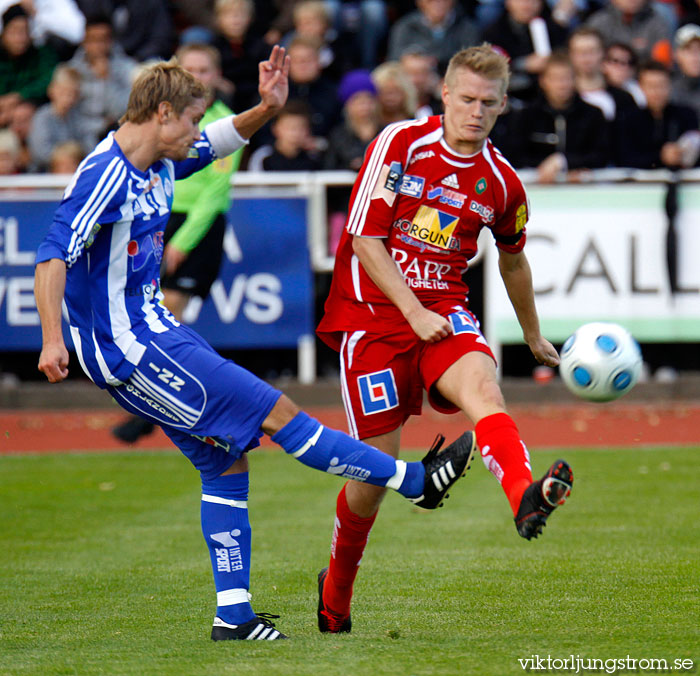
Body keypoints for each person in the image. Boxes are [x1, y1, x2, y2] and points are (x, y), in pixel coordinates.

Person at [33, 45, 473, 642]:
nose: (195, 131)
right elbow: (52, 255)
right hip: (130, 347)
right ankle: (413, 484)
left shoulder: (160, 161)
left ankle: (233, 616)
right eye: (189, 118)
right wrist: (52, 339)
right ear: (161, 114)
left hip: (151, 335)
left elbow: (216, 141)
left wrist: (265, 108)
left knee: (224, 465)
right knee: (277, 411)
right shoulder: (105, 175)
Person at [314, 43, 574, 634]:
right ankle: (335, 591)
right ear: (445, 97)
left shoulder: (502, 184)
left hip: (444, 311)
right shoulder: (399, 144)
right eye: (466, 99)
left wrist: (533, 335)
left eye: (488, 103)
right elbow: (364, 241)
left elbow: (513, 261)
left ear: (504, 105)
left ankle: (523, 498)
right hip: (372, 317)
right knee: (374, 477)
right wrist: (410, 310)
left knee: (486, 390)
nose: (476, 112)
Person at [112, 42, 244, 445]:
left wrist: (182, 240)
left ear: (216, 75)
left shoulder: (222, 122)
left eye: (205, 69)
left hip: (196, 229)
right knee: (157, 319)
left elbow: (215, 192)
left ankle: (167, 407)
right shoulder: (164, 122)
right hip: (162, 220)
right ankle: (171, 404)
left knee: (166, 316)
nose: (198, 77)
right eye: (191, 69)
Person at [508, 51, 609, 180]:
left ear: (575, 80)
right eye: (555, 78)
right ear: (543, 81)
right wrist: (547, 166)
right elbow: (515, 156)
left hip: (582, 188)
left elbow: (601, 156)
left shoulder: (593, 114)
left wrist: (565, 162)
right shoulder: (525, 116)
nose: (562, 85)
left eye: (566, 78)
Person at [568, 27, 650, 167]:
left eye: (591, 51)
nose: (586, 58)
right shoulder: (562, 98)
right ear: (571, 55)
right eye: (580, 52)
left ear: (602, 54)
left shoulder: (623, 99)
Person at [67, 13, 137, 143]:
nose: (98, 46)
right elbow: (70, 114)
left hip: (116, 132)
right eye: (93, 40)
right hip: (80, 134)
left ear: (111, 41)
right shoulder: (71, 70)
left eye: (103, 40)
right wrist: (99, 125)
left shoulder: (127, 68)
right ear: (84, 41)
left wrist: (107, 79)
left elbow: (123, 110)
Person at [27, 65, 95, 171]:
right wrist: (67, 156)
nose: (69, 97)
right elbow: (40, 153)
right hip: (46, 173)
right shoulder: (42, 117)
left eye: (73, 93)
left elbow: (90, 147)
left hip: (76, 170)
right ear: (52, 90)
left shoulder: (79, 117)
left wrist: (73, 158)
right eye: (64, 91)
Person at [247, 99, 321, 170]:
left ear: (308, 130)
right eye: (289, 127)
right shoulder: (263, 157)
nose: (295, 133)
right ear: (275, 129)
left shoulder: (314, 157)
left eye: (301, 128)